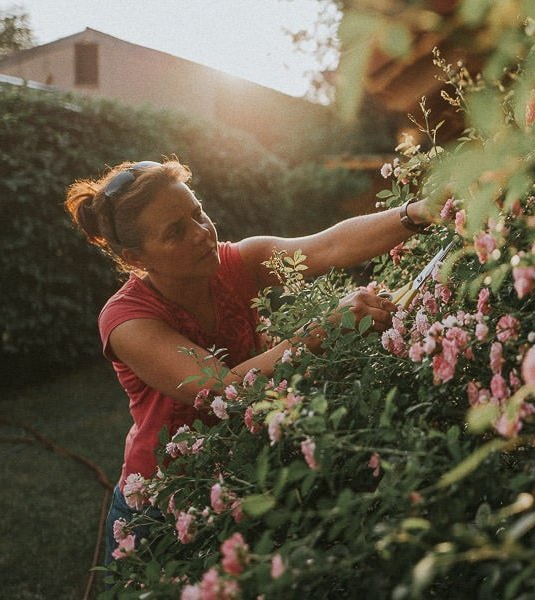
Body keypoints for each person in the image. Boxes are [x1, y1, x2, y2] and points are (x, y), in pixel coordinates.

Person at [64, 159, 433, 566]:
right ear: (135, 258)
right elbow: (222, 387)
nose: (202, 233)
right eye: (176, 232)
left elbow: (327, 246)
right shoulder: (126, 320)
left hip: (240, 477)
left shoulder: (236, 263)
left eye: (197, 212)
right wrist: (323, 329)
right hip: (161, 505)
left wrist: (416, 212)